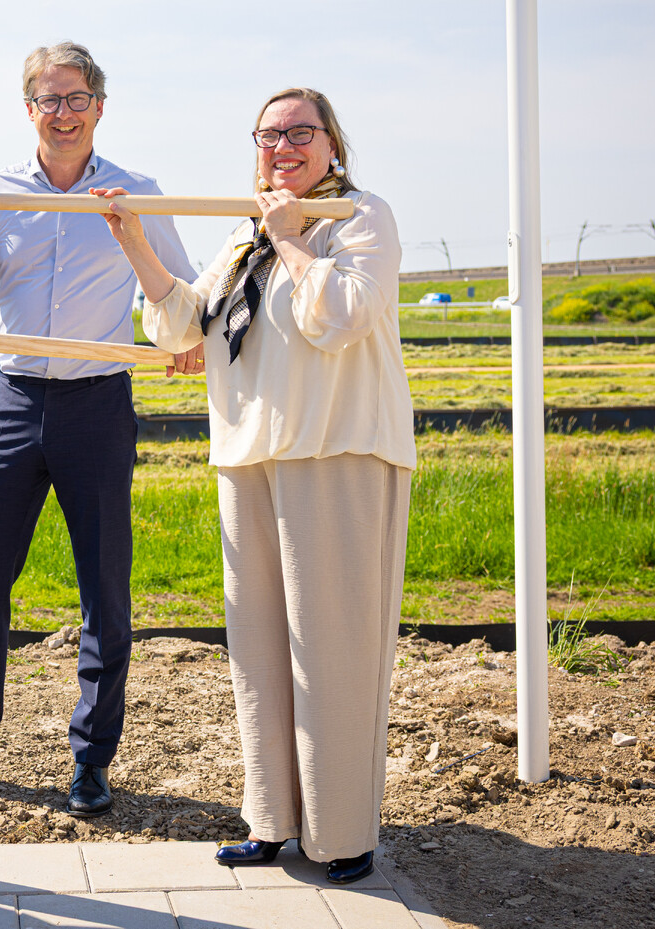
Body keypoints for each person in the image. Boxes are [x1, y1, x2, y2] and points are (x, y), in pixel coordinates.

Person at [90, 86, 414, 885]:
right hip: (248, 457)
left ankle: (341, 832)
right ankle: (271, 821)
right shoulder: (243, 234)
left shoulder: (358, 216)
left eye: (301, 133)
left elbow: (339, 316)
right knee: (262, 654)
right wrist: (132, 241)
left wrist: (294, 239)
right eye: (268, 136)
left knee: (332, 651)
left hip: (336, 453)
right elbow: (182, 326)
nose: (282, 147)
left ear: (333, 144)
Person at [0, 41, 203, 817]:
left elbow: (178, 292)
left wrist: (184, 339)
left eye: (76, 98)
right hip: (11, 400)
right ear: (29, 109)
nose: (63, 113)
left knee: (104, 589)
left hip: (97, 403)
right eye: (49, 99)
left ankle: (91, 761)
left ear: (99, 106)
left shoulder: (137, 192)